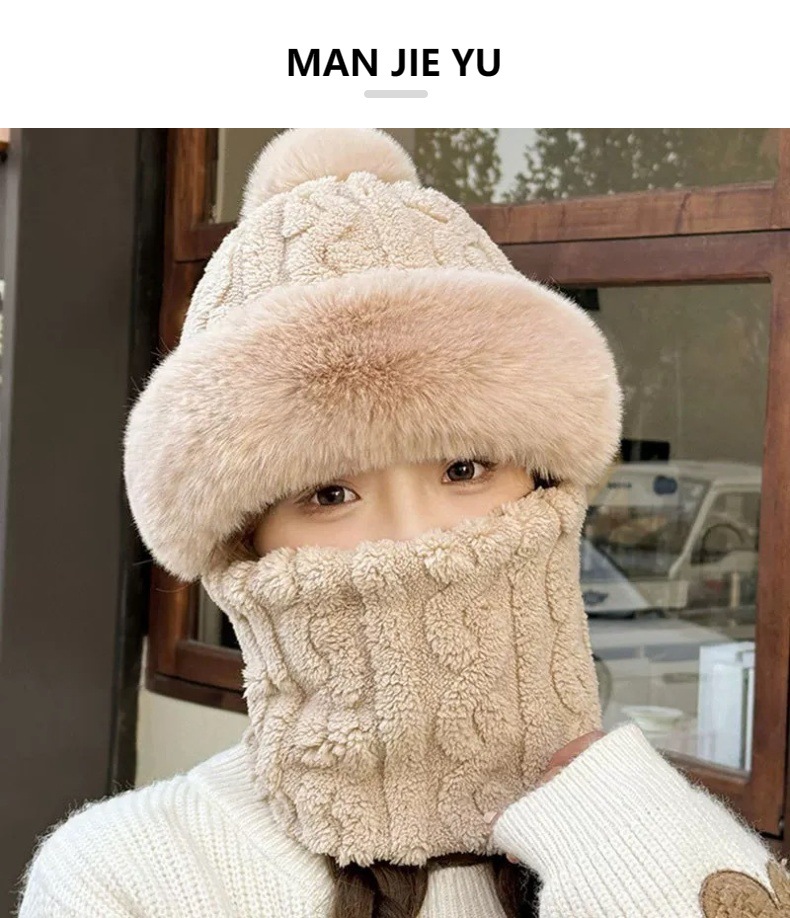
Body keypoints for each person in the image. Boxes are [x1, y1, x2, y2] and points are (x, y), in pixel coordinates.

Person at [17, 129, 787, 917]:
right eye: (328, 493)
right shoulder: (127, 874)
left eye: (465, 469)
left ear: (544, 482)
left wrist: (642, 839)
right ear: (244, 541)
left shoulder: (655, 833)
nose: (416, 538)